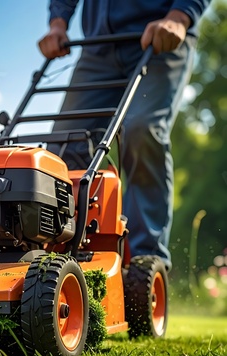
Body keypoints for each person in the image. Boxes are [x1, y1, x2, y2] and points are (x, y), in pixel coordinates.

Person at [38, 0, 210, 271]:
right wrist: (58, 23)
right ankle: (63, 249)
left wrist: (180, 16)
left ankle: (145, 263)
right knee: (64, 145)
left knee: (142, 130)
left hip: (160, 37)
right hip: (97, 48)